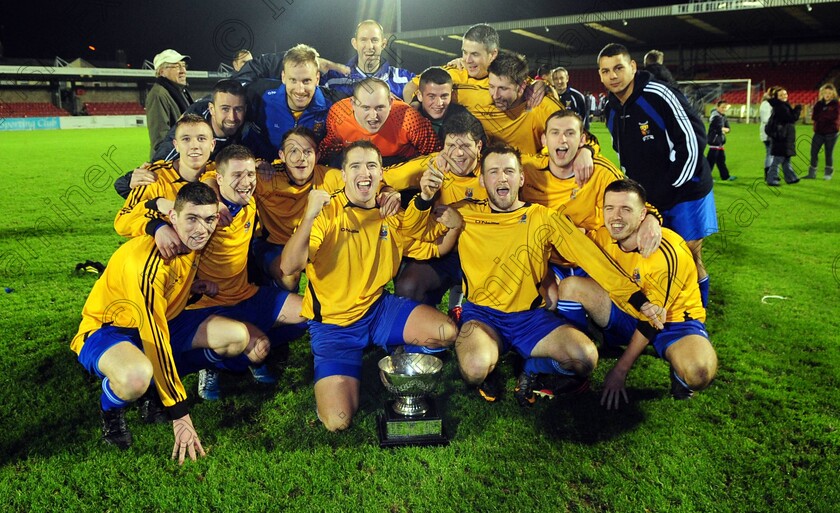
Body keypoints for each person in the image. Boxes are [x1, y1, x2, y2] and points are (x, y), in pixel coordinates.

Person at [409, 143, 664, 404]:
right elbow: (414, 233)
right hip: (483, 316)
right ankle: (489, 368)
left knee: (585, 358)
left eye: (509, 171)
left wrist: (638, 300)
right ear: (483, 180)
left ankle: (533, 367)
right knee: (474, 369)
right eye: (494, 172)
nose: (502, 178)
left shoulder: (543, 218)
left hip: (531, 319)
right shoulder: (463, 213)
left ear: (521, 178)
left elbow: (592, 258)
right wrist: (424, 199)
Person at [279, 141, 460, 431]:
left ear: (381, 173)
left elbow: (433, 249)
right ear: (343, 174)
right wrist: (310, 215)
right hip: (333, 328)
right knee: (337, 421)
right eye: (356, 166)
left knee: (447, 332)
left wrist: (454, 226)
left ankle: (398, 356)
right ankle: (343, 376)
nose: (365, 173)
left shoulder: (389, 212)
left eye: (371, 166)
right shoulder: (327, 212)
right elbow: (288, 267)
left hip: (377, 311)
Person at [71, 182, 219, 462]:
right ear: (172, 218)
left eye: (209, 219)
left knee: (235, 337)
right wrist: (180, 413)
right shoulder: (148, 262)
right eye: (192, 219)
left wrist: (192, 289)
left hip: (154, 320)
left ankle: (154, 389)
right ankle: (111, 408)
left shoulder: (186, 240)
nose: (202, 228)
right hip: (108, 329)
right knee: (135, 376)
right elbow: (155, 336)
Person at [162, 145, 308, 401]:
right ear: (219, 179)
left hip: (244, 295)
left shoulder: (250, 203)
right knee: (258, 348)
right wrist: (156, 225)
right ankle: (213, 360)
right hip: (205, 305)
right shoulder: (200, 212)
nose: (246, 182)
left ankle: (241, 349)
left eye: (250, 174)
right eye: (237, 175)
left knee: (307, 314)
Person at [557, 179, 718, 406]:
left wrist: (620, 371)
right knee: (570, 287)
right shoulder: (602, 236)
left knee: (698, 372)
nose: (616, 217)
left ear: (643, 214)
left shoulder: (668, 251)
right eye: (609, 208)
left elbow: (651, 321)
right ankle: (579, 357)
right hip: (625, 313)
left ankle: (679, 372)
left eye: (626, 209)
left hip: (672, 321)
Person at [598, 43, 716, 308]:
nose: (613, 76)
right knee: (655, 254)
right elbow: (623, 154)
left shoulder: (658, 94)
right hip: (650, 195)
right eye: (605, 71)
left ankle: (697, 317)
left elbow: (693, 142)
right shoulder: (611, 108)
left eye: (618, 68)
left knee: (688, 256)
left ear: (633, 67)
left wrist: (663, 195)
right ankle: (663, 310)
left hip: (687, 189)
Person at [386, 111, 487, 319]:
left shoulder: (493, 170)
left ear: (479, 147)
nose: (458, 154)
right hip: (443, 251)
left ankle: (469, 314)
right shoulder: (432, 165)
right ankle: (420, 341)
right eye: (451, 146)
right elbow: (383, 176)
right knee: (408, 285)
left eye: (466, 146)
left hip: (483, 253)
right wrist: (388, 191)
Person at [114, 79, 264, 198]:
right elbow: (124, 184)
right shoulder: (190, 131)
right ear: (212, 109)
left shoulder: (248, 130)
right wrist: (131, 182)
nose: (232, 117)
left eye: (238, 109)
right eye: (224, 109)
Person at [115, 114, 221, 249]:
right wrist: (157, 226)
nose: (194, 146)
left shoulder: (221, 172)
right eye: (186, 139)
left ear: (212, 144)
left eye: (201, 139)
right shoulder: (154, 176)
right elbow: (122, 221)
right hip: (164, 262)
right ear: (176, 145)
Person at [318, 77, 439, 166]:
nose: (373, 116)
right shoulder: (338, 114)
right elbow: (328, 148)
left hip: (399, 162)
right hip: (358, 162)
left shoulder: (408, 117)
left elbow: (435, 153)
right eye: (366, 108)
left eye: (380, 107)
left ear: (391, 103)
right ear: (353, 104)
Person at [249, 44, 333, 155]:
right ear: (283, 77)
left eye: (306, 81)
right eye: (293, 80)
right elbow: (250, 142)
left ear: (317, 79)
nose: (300, 90)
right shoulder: (263, 100)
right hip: (270, 170)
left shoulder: (331, 109)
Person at [319, 19, 415, 99]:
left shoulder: (404, 80)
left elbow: (428, 84)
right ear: (354, 43)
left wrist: (413, 104)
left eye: (374, 40)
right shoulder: (333, 80)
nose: (369, 46)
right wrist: (322, 63)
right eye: (363, 40)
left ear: (383, 44)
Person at [146, 49, 194, 160]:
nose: (183, 71)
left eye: (183, 65)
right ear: (161, 71)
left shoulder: (180, 91)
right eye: (176, 66)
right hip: (169, 162)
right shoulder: (158, 94)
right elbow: (160, 140)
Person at [414, 66, 473, 135]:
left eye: (444, 96)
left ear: (452, 95)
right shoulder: (410, 119)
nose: (439, 103)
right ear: (420, 96)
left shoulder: (464, 118)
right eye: (432, 96)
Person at [765, 87, 802, 186]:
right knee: (778, 160)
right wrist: (798, 109)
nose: (784, 96)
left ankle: (791, 178)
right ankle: (771, 179)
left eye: (785, 94)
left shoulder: (781, 105)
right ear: (777, 97)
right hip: (782, 138)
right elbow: (791, 118)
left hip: (784, 137)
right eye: (781, 95)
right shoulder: (780, 107)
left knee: (786, 159)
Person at [807, 83, 839, 180]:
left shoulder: (836, 104)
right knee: (813, 152)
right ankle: (812, 173)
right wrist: (824, 116)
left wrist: (822, 116)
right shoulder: (818, 104)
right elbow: (814, 117)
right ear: (822, 93)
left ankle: (828, 173)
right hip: (819, 132)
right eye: (825, 93)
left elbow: (834, 117)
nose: (827, 95)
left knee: (828, 153)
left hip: (832, 133)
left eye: (829, 93)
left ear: (833, 94)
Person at [707, 100, 736, 181]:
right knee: (710, 161)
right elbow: (718, 128)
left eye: (725, 107)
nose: (724, 109)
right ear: (717, 107)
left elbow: (728, 128)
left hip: (719, 142)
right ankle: (706, 177)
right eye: (722, 107)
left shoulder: (723, 116)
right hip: (714, 141)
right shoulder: (715, 116)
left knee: (721, 160)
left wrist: (724, 129)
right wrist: (724, 129)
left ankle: (725, 176)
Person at [759, 86, 780, 179]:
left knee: (773, 154)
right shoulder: (766, 104)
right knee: (771, 154)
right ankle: (769, 174)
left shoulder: (771, 103)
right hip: (769, 132)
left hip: (773, 132)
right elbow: (766, 119)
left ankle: (773, 174)